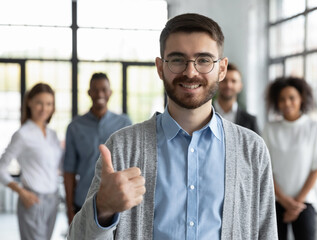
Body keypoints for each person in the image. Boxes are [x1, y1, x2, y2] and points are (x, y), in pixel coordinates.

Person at [68, 13, 277, 239]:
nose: (190, 71)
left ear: (222, 69)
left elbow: (267, 233)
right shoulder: (122, 148)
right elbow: (77, 236)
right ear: (160, 68)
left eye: (204, 60)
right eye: (177, 60)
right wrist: (103, 210)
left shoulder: (252, 149)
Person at [262, 77, 317, 240]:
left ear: (301, 98)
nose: (287, 103)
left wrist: (296, 204)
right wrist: (285, 201)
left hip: (305, 202)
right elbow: (265, 168)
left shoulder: (315, 128)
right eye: (282, 99)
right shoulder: (270, 129)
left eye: (292, 98)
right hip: (276, 202)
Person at [63, 72, 132, 224]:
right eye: (95, 89)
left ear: (110, 92)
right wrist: (69, 210)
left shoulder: (125, 124)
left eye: (104, 89)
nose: (99, 93)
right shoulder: (75, 127)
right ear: (89, 92)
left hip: (117, 204)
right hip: (83, 202)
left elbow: (132, 165)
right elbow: (69, 171)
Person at [0, 83, 62, 240]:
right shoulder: (22, 134)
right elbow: (1, 168)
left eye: (49, 104)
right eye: (39, 103)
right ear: (29, 103)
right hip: (33, 199)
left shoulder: (52, 134)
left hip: (53, 199)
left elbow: (56, 166)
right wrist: (21, 192)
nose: (44, 108)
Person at [213, 62, 259, 134]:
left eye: (233, 81)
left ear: (240, 86)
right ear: (217, 84)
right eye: (224, 80)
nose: (229, 85)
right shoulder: (202, 116)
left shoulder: (250, 121)